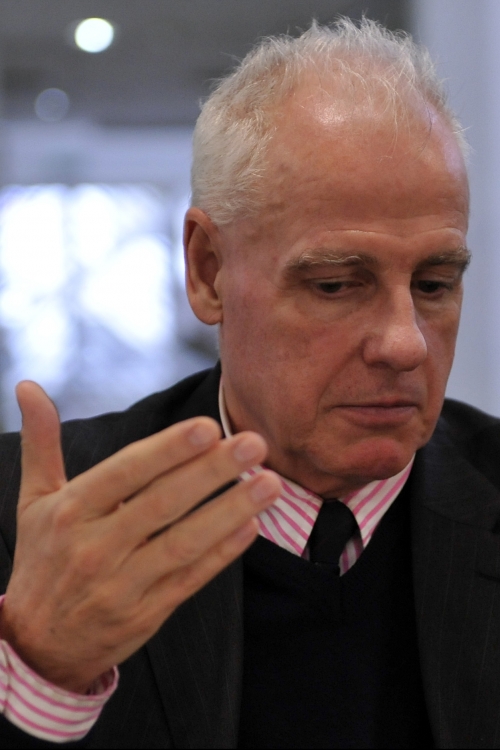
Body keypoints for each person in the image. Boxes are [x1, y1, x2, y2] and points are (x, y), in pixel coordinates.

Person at [0, 16, 498, 749]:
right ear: (208, 271)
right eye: (335, 284)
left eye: (434, 283)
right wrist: (42, 674)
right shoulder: (37, 526)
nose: (405, 344)